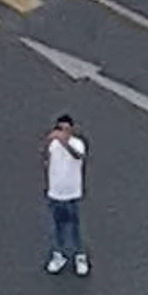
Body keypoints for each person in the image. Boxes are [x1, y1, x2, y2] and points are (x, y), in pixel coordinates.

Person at [43, 114, 86, 282]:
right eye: (60, 129)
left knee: (74, 228)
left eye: (66, 129)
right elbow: (45, 158)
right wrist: (47, 143)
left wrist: (63, 142)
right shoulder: (53, 145)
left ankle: (79, 256)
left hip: (72, 194)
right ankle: (58, 255)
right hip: (55, 193)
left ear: (72, 129)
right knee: (57, 227)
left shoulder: (77, 144)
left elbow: (77, 156)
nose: (63, 132)